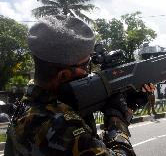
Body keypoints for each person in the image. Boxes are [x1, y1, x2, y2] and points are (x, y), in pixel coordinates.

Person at [4, 15, 149, 156]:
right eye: (86, 65)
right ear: (64, 75)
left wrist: (127, 106)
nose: (89, 72)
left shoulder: (25, 106)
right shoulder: (61, 126)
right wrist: (116, 119)